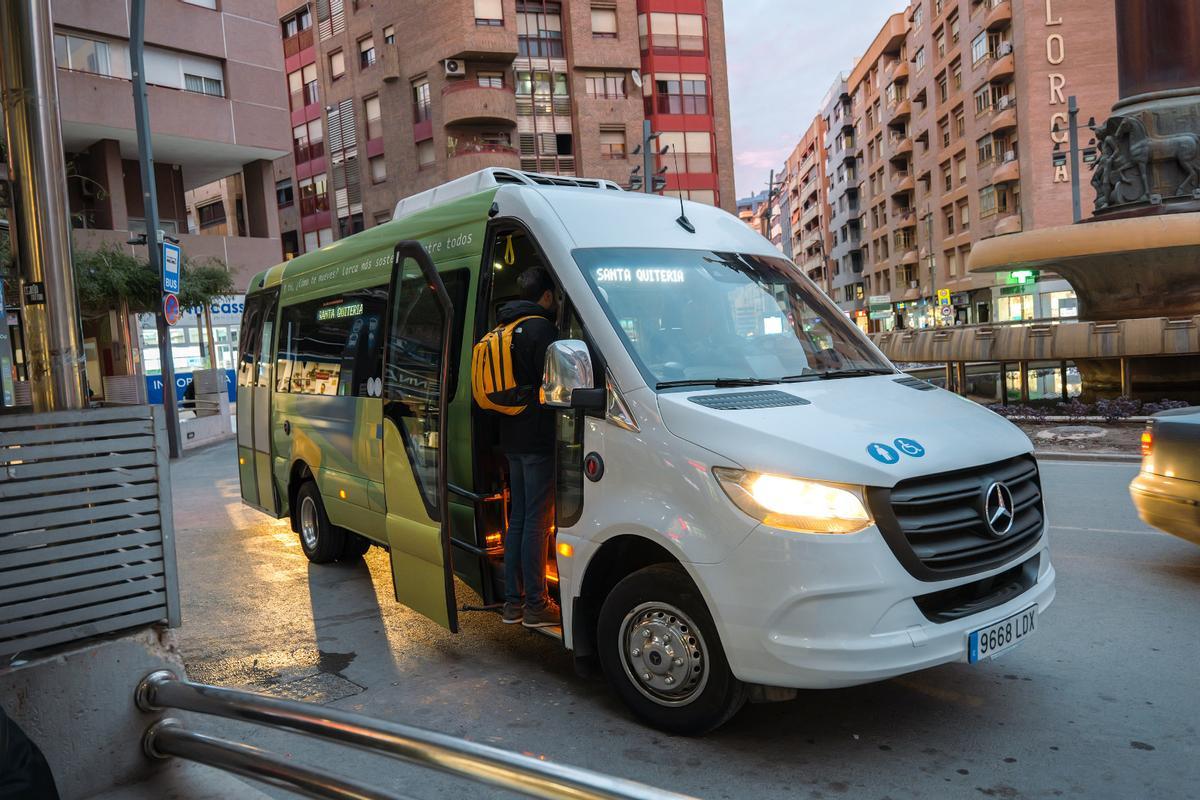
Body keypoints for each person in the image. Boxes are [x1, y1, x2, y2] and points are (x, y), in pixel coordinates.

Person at [496, 267, 562, 629]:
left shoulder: (503, 329)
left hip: (511, 437)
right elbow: (556, 387)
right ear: (547, 296)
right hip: (537, 438)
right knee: (538, 521)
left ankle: (513, 602)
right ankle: (537, 603)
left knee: (519, 518)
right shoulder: (544, 331)